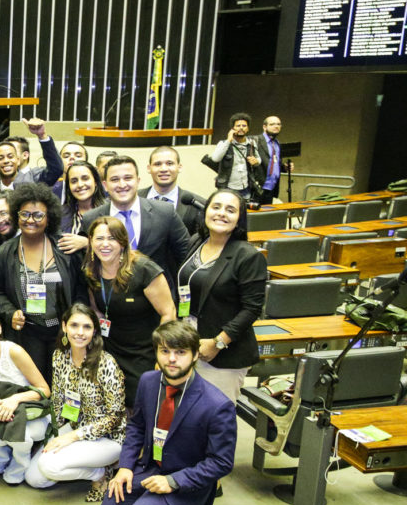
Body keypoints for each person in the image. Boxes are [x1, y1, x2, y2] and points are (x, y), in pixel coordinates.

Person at [97, 320, 237, 505]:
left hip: (186, 479)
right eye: (165, 351)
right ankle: (152, 502)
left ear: (194, 355)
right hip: (151, 467)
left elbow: (221, 462)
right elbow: (137, 426)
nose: (171, 359)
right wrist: (125, 467)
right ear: (157, 353)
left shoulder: (217, 405)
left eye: (180, 352)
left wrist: (173, 482)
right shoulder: (148, 381)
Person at [0, 183, 87, 382]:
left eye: (38, 215)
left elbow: (81, 289)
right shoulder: (5, 253)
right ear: (16, 216)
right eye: (24, 214)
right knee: (34, 387)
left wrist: (75, 318)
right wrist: (10, 313)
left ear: (49, 218)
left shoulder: (65, 248)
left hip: (64, 332)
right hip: (28, 334)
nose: (30, 220)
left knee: (66, 385)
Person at [26, 304, 126, 500]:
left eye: (87, 327)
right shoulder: (59, 357)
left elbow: (115, 417)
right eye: (74, 325)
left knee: (48, 465)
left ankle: (99, 474)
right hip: (73, 426)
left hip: (108, 438)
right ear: (64, 327)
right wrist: (53, 435)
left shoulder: (106, 363)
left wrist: (71, 438)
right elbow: (57, 400)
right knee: (35, 479)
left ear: (94, 331)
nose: (80, 332)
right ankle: (91, 467)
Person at [178, 189, 266, 402]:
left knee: (214, 421)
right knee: (187, 416)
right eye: (216, 207)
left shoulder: (248, 256)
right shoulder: (197, 241)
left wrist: (218, 343)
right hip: (189, 343)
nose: (221, 214)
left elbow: (252, 309)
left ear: (239, 219)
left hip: (224, 354)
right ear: (206, 211)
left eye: (230, 210)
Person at [84, 217, 176, 405]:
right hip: (112, 351)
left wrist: (163, 354)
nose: (105, 244)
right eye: (99, 239)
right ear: (91, 241)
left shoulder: (143, 269)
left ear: (123, 242)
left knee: (141, 406)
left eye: (112, 238)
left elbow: (169, 312)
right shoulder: (91, 270)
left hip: (145, 353)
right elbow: (98, 311)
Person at [75, 156, 191, 291]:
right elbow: (89, 263)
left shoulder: (165, 212)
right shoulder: (91, 218)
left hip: (157, 300)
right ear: (105, 185)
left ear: (138, 181)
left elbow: (185, 256)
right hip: (111, 298)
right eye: (114, 179)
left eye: (128, 178)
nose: (122, 184)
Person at [0, 307, 51, 485]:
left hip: (27, 412)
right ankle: (1, 457)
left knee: (22, 437)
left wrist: (14, 400)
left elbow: (44, 390)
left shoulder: (14, 351)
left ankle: (21, 463)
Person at [138, 146, 203, 236]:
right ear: (149, 168)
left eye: (169, 163)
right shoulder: (134, 198)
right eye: (157, 164)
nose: (164, 169)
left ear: (179, 167)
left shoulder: (197, 204)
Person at [201, 113, 263, 202]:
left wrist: (256, 161)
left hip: (246, 187)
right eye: (238, 126)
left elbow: (259, 159)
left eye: (244, 125)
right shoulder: (224, 143)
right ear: (233, 128)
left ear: (248, 128)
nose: (241, 128)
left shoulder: (252, 143)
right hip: (228, 187)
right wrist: (229, 140)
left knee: (243, 213)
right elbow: (215, 158)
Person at [60, 161, 106, 237]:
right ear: (69, 187)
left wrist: (86, 243)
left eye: (85, 178)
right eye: (74, 181)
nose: (80, 185)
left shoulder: (110, 211)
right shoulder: (59, 215)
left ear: (95, 182)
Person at [252, 115, 288, 205]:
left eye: (278, 124)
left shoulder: (277, 143)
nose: (276, 126)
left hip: (271, 188)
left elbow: (274, 163)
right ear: (264, 127)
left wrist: (284, 168)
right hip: (256, 188)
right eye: (272, 124)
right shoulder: (255, 140)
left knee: (266, 217)